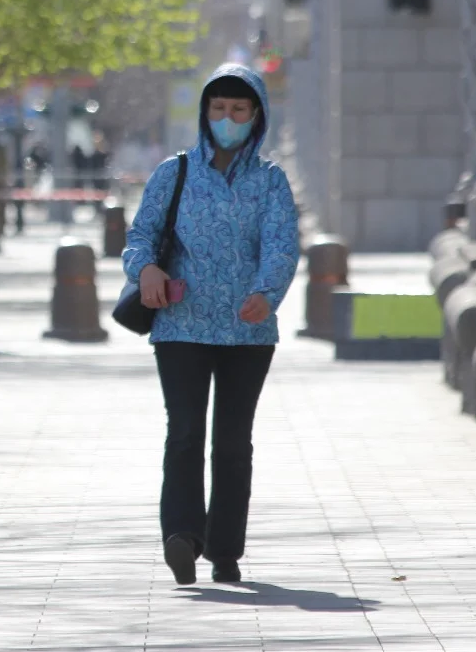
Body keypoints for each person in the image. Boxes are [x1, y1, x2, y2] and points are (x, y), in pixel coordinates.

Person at [122, 63, 299, 586]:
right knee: (184, 433)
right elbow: (140, 237)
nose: (227, 118)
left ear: (256, 116)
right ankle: (181, 536)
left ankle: (225, 551)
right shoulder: (172, 174)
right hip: (180, 327)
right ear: (204, 113)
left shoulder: (270, 182)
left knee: (232, 441)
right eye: (218, 108)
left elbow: (282, 246)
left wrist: (266, 295)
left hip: (247, 333)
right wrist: (146, 268)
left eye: (238, 109)